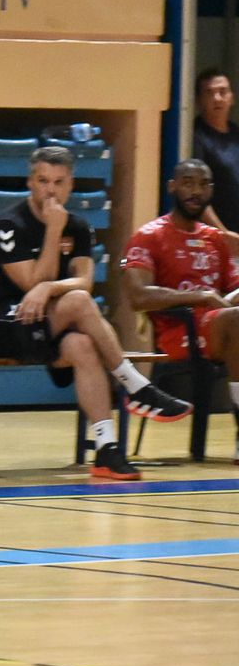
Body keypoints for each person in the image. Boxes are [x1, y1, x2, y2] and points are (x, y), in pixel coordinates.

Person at [0, 146, 191, 479]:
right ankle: (136, 385)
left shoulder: (79, 227)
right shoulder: (7, 225)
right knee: (77, 303)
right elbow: (34, 281)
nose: (50, 190)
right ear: (30, 182)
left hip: (45, 322)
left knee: (83, 345)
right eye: (43, 181)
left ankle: (106, 448)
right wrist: (52, 235)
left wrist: (49, 289)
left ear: (70, 184)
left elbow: (84, 280)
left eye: (59, 182)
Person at [121, 159, 239, 461]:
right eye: (187, 182)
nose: (195, 191)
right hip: (179, 331)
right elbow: (138, 296)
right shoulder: (150, 235)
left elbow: (232, 289)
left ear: (211, 190)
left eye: (202, 185)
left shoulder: (215, 240)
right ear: (172, 186)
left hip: (223, 326)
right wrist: (203, 297)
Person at [191, 67, 239, 234]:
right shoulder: (195, 137)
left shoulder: (236, 133)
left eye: (223, 91)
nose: (217, 98)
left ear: (231, 97)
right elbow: (196, 193)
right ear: (198, 101)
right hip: (213, 239)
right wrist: (223, 233)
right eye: (209, 93)